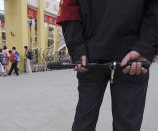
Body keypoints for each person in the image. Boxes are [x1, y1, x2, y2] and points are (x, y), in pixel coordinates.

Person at [57, 0, 158, 131]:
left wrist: (77, 48)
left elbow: (69, 8)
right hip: (129, 56)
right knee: (126, 125)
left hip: (95, 56)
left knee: (84, 120)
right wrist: (144, 47)